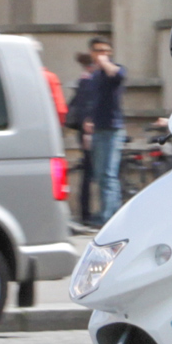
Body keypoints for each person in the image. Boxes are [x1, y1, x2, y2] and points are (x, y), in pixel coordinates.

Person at [81, 38, 127, 227]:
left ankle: (109, 217)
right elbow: (93, 101)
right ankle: (108, 215)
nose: (103, 54)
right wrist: (88, 123)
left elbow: (118, 76)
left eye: (106, 50)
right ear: (91, 53)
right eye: (99, 51)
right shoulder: (94, 76)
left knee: (108, 175)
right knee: (100, 175)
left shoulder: (115, 69)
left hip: (113, 129)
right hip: (98, 130)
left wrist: (105, 63)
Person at [64, 52, 100, 225]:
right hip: (88, 133)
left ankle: (86, 213)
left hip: (84, 132)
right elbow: (87, 110)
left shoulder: (84, 80)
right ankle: (86, 214)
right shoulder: (88, 81)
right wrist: (87, 134)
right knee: (90, 172)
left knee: (89, 172)